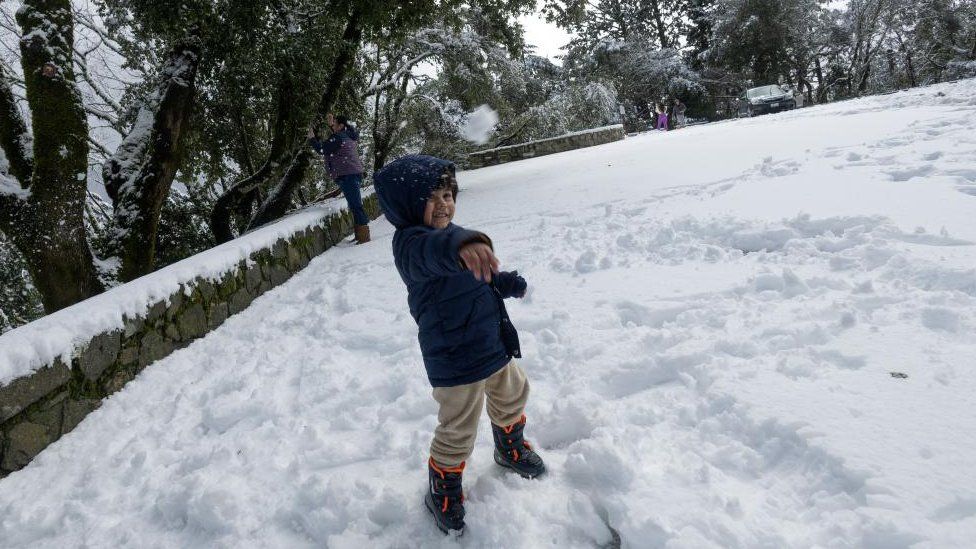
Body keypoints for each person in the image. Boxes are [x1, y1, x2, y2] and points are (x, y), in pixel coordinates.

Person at [373, 155, 546, 535]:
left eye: (448, 194)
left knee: (514, 394)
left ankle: (509, 445)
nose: (444, 204)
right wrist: (462, 244)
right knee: (458, 428)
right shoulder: (411, 246)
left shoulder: (456, 236)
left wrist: (504, 282)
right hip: (454, 360)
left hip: (491, 343)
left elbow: (477, 274)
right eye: (431, 198)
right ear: (406, 204)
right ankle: (443, 485)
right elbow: (438, 255)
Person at [308, 114, 370, 244]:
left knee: (356, 205)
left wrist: (312, 139)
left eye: (335, 123)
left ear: (341, 126)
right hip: (353, 172)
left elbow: (322, 149)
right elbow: (337, 140)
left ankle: (364, 237)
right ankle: (361, 233)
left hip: (348, 174)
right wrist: (331, 125)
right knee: (355, 204)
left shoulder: (338, 138)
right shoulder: (349, 135)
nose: (333, 125)